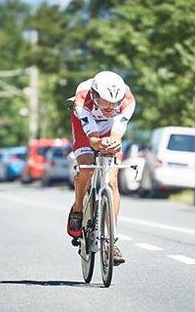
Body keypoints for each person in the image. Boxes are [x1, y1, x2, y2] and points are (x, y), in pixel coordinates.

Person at [67, 71, 136, 265]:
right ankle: (78, 207)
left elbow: (116, 134)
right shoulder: (82, 101)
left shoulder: (128, 101)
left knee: (112, 180)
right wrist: (99, 144)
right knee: (87, 169)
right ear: (95, 96)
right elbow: (93, 140)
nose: (110, 107)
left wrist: (114, 143)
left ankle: (111, 242)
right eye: (105, 102)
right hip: (85, 129)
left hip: (109, 127)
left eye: (115, 103)